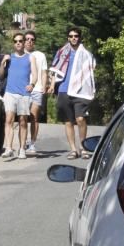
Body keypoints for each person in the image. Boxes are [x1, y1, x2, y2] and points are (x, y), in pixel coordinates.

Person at [50, 27, 96, 159]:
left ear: (80, 37)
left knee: (80, 119)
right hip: (64, 90)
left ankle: (83, 148)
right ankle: (73, 149)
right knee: (68, 121)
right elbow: (54, 70)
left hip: (80, 91)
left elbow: (91, 70)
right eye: (70, 36)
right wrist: (53, 85)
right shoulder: (62, 52)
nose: (73, 38)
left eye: (76, 36)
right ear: (67, 38)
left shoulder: (86, 54)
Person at [0, 33, 35, 160]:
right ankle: (8, 148)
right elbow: (1, 75)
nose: (18, 43)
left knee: (23, 121)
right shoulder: (9, 58)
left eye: (20, 41)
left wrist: (32, 83)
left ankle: (22, 149)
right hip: (10, 92)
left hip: (24, 94)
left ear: (24, 42)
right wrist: (3, 62)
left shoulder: (30, 58)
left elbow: (35, 74)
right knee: (9, 119)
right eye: (16, 41)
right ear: (13, 43)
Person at [23, 30, 47, 156]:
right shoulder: (20, 54)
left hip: (37, 89)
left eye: (32, 39)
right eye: (27, 39)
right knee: (23, 118)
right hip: (22, 90)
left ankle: (32, 144)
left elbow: (43, 72)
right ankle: (23, 144)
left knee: (34, 117)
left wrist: (44, 86)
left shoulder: (40, 55)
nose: (29, 41)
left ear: (34, 42)